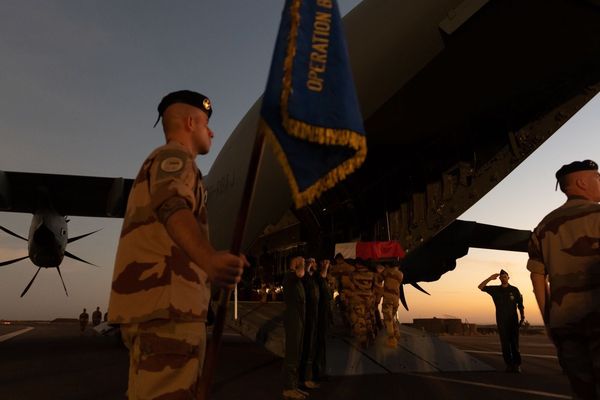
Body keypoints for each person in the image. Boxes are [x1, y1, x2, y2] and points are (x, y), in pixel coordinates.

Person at [107, 90, 247, 400]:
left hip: (160, 307)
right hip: (169, 311)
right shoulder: (176, 158)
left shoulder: (165, 161)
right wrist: (209, 259)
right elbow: (171, 204)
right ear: (190, 122)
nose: (211, 131)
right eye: (206, 123)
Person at [527, 160, 600, 399]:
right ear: (581, 182)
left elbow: (537, 277)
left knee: (582, 391)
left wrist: (549, 320)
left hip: (564, 324)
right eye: (597, 177)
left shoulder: (542, 228)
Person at [478, 269, 525, 373]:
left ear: (508, 277)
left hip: (513, 320)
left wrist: (522, 316)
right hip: (501, 320)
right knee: (505, 344)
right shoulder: (495, 290)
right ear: (499, 278)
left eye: (505, 276)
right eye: (501, 277)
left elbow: (520, 304)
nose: (503, 278)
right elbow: (480, 287)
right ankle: (508, 364)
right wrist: (490, 278)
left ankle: (517, 365)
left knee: (514, 343)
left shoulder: (514, 290)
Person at [282, 256, 308, 400]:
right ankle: (288, 388)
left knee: (297, 352)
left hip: (298, 319)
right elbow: (300, 273)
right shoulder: (290, 276)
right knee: (292, 353)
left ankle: (294, 385)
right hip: (293, 319)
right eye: (301, 262)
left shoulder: (295, 278)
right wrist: (300, 264)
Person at [299, 257, 320, 390]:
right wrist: (306, 267)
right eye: (310, 262)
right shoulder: (305, 278)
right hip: (307, 317)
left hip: (314, 317)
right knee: (306, 348)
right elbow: (303, 279)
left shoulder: (314, 278)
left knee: (311, 347)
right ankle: (304, 378)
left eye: (314, 262)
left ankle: (307, 376)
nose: (313, 264)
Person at [313, 259, 332, 382]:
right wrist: (325, 267)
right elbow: (321, 278)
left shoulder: (320, 278)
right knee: (318, 344)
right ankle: (317, 371)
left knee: (322, 344)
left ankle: (321, 370)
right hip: (318, 316)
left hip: (323, 315)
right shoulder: (315, 278)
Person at [381, 264, 403, 348]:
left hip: (388, 298)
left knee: (388, 318)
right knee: (391, 317)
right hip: (396, 299)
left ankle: (391, 340)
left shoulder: (387, 271)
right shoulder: (400, 274)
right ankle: (397, 332)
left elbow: (380, 277)